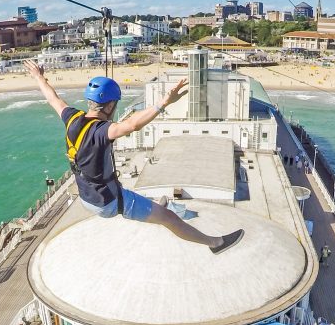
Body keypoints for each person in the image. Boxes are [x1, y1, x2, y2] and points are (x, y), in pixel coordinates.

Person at [26, 60, 244, 253]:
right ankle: (215, 244)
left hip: (87, 197)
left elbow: (53, 98)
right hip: (109, 202)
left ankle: (156, 205)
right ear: (110, 105)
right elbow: (132, 124)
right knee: (169, 219)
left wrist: (38, 76)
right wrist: (164, 102)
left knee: (138, 197)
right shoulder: (103, 131)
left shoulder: (72, 118)